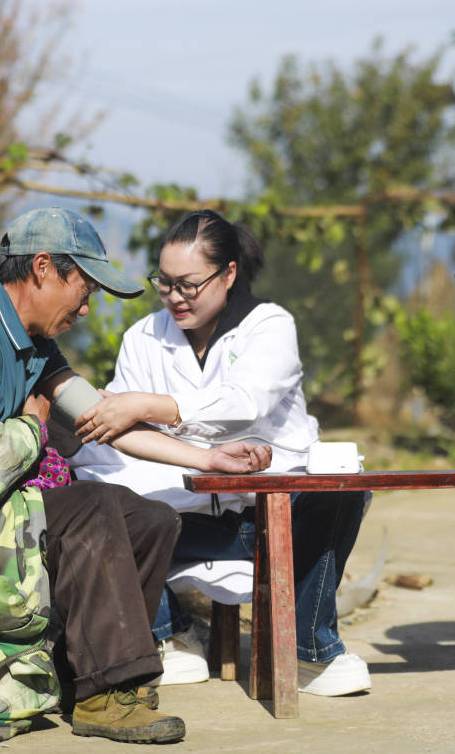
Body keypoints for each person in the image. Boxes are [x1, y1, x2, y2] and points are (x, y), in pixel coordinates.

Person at [0, 206, 271, 745]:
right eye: (85, 288)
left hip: (10, 520)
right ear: (44, 268)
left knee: (153, 518)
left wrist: (208, 459)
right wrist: (31, 427)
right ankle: (105, 693)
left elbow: (100, 418)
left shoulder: (37, 347)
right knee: (93, 507)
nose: (87, 308)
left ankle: (95, 680)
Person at [68, 209, 372, 697]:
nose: (174, 298)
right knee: (93, 494)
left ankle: (310, 649)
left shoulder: (269, 326)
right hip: (184, 525)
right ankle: (171, 634)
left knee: (339, 486)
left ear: (228, 273)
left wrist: (149, 405)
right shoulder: (142, 339)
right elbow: (121, 439)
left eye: (188, 284)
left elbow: (243, 402)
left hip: (271, 523)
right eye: (164, 284)